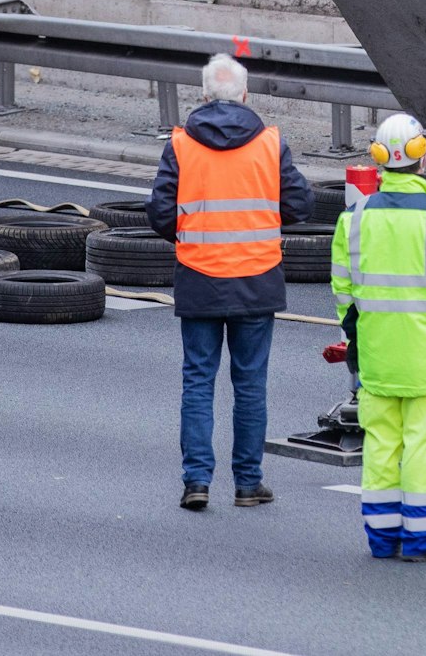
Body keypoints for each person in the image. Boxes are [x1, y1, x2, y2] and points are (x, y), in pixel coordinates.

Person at [147, 53, 312, 511]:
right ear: (245, 95)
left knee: (198, 382)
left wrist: (192, 235)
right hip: (257, 279)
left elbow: (160, 212)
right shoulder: (270, 144)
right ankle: (248, 484)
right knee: (250, 385)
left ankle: (197, 481)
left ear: (203, 95)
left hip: (199, 277)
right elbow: (300, 204)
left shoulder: (182, 145)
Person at [331, 113, 426, 561]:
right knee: (424, 445)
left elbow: (343, 288)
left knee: (381, 445)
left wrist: (352, 335)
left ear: (379, 158)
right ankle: (423, 540)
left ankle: (383, 539)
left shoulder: (354, 218)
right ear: (422, 156)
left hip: (377, 356)